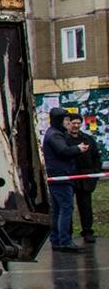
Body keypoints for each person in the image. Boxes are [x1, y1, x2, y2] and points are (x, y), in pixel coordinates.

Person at [43, 107, 88, 252]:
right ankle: (65, 241)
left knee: (57, 210)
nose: (68, 123)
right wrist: (78, 149)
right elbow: (63, 151)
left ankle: (56, 240)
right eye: (66, 120)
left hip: (57, 176)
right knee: (66, 208)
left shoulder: (54, 133)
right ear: (59, 120)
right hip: (61, 176)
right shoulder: (55, 135)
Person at [67, 111, 102, 244]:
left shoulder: (88, 139)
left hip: (86, 178)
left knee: (86, 206)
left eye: (78, 123)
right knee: (67, 207)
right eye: (73, 123)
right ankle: (67, 233)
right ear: (68, 124)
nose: (76, 125)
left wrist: (94, 174)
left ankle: (87, 231)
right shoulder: (64, 140)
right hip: (70, 177)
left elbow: (96, 157)